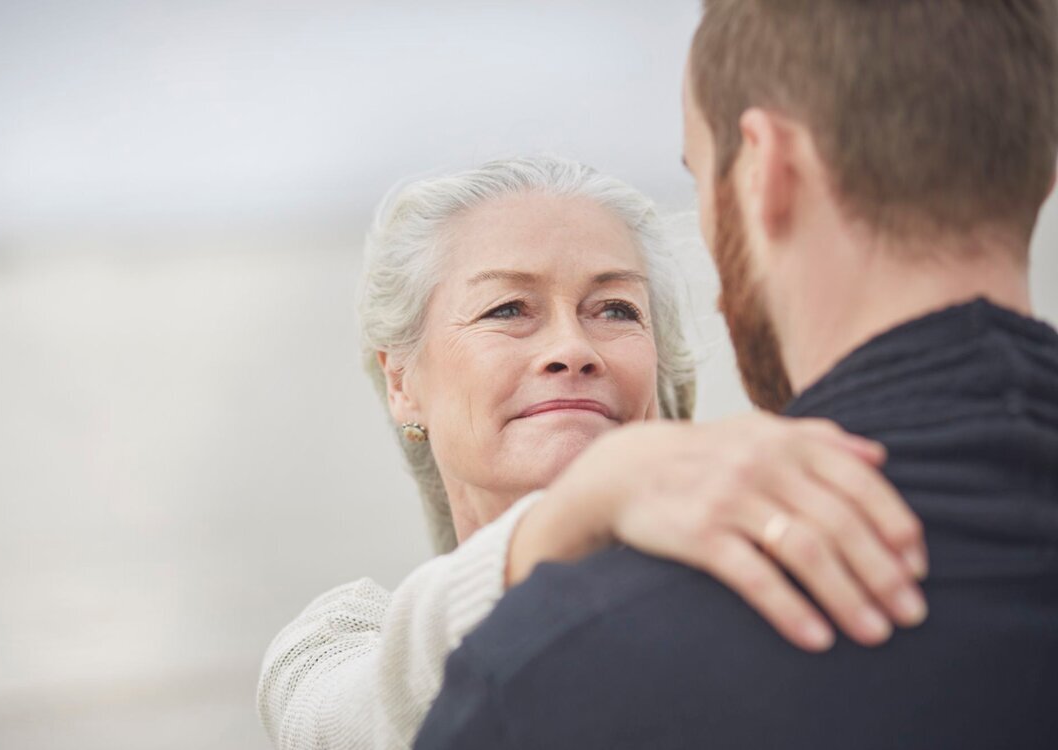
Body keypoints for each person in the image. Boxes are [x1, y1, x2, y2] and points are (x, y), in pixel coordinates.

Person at [416, 2, 1058, 748]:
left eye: (701, 178)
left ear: (765, 172)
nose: (571, 350)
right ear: (1040, 170)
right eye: (508, 308)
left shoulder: (569, 669)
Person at [258, 156, 931, 749]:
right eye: (507, 309)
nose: (572, 349)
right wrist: (582, 508)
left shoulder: (761, 580)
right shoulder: (336, 642)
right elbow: (342, 721)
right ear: (402, 381)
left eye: (614, 310)